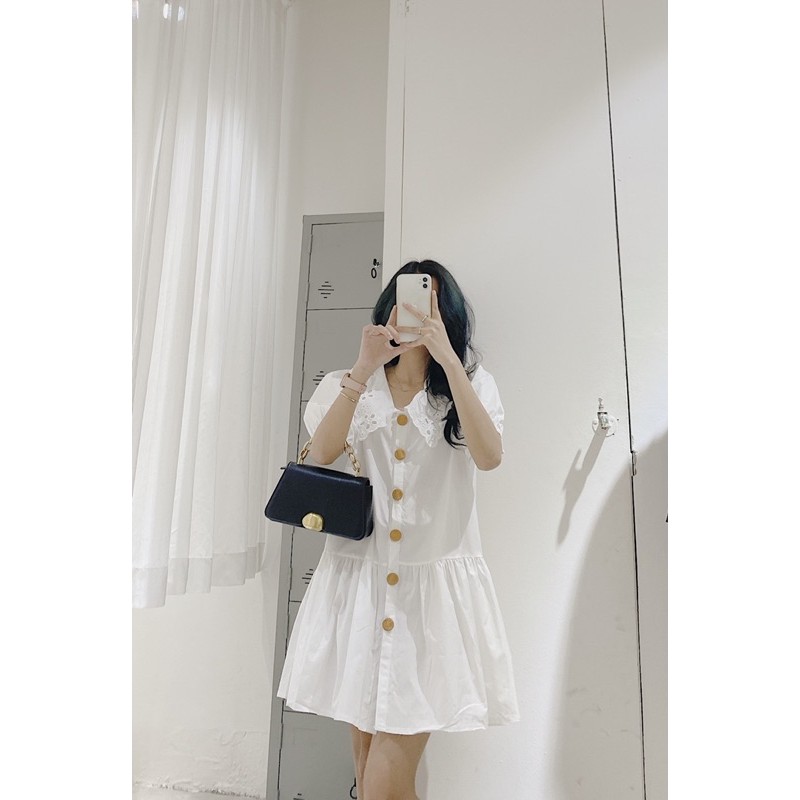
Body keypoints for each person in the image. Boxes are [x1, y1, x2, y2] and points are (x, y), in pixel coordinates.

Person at [276, 260, 520, 800]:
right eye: (404, 303)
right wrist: (363, 368)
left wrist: (449, 360)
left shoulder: (470, 385)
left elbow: (489, 456)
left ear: (447, 316)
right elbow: (320, 455)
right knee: (369, 777)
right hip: (358, 594)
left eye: (428, 305)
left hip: (428, 607)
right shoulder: (349, 383)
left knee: (384, 782)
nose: (413, 315)